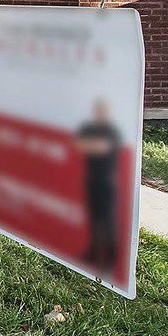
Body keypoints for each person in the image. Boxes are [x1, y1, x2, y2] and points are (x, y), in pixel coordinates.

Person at [74, 99, 123, 278]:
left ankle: (110, 261)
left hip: (107, 182)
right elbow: (79, 145)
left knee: (108, 221)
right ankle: (94, 254)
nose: (100, 113)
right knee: (93, 219)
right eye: (97, 110)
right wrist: (94, 146)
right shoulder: (89, 128)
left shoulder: (112, 130)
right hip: (91, 180)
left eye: (103, 110)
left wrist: (92, 145)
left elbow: (103, 148)